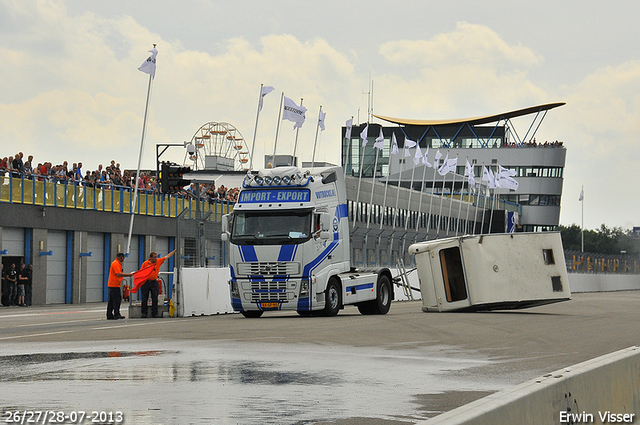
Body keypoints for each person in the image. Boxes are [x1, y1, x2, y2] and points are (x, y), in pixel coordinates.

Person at [139, 249, 176, 318]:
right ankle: (144, 313)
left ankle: (154, 313)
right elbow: (141, 272)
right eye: (154, 257)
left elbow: (167, 256)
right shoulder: (145, 264)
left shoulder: (158, 261)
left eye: (156, 257)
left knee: (155, 298)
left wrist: (174, 251)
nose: (156, 258)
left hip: (154, 282)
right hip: (145, 282)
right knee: (144, 298)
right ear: (150, 258)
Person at [107, 253, 134, 320]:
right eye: (123, 258)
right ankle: (116, 313)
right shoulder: (116, 263)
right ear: (120, 257)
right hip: (114, 285)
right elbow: (118, 274)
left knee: (112, 300)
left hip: (114, 284)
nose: (123, 259)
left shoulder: (117, 263)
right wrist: (128, 275)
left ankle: (109, 314)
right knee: (117, 300)